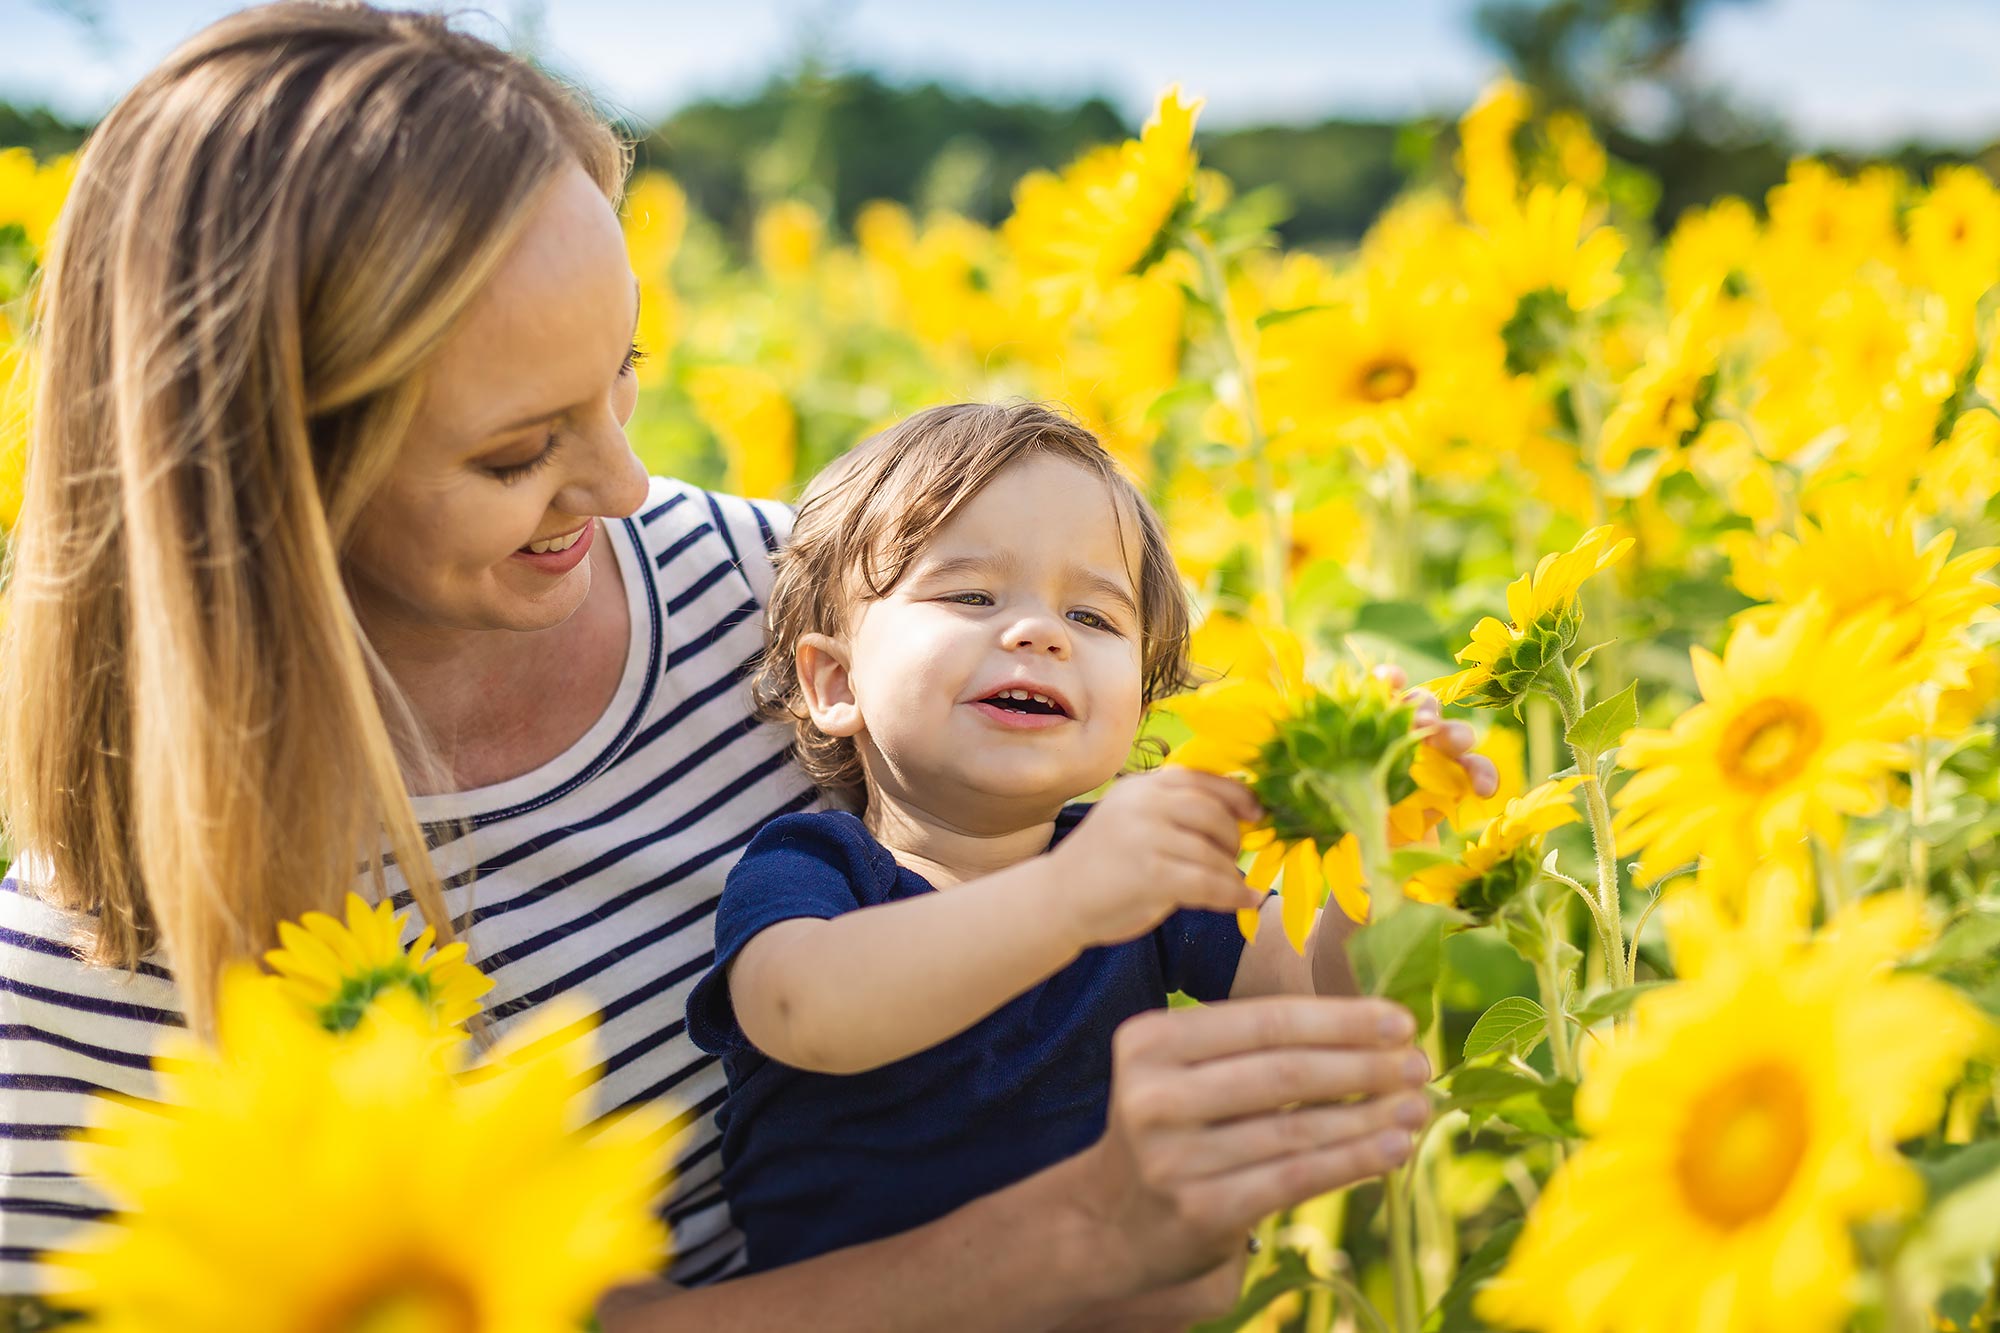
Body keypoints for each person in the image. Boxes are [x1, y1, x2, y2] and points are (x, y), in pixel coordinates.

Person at [0, 3, 1494, 1328]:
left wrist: (1366, 830)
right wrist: (1071, 1242)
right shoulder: (91, 971)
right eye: (521, 450)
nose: (630, 487)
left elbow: (1231, 917)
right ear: (269, 479)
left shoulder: (786, 594)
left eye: (625, 380)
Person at [686, 401, 1437, 1275]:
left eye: (1095, 619)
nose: (1040, 632)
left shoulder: (1143, 881)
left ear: (1140, 707)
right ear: (836, 679)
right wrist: (1071, 898)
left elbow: (1331, 1002)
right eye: (971, 594)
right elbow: (803, 1013)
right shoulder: (818, 867)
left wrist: (1373, 845)